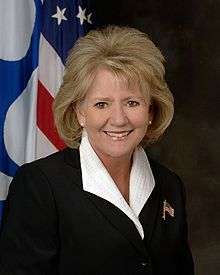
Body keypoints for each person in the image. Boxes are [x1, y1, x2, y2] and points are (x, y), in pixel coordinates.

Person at [0, 25, 194, 275]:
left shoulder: (170, 185)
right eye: (101, 104)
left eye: (132, 103)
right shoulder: (40, 185)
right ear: (80, 112)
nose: (118, 119)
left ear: (151, 110)